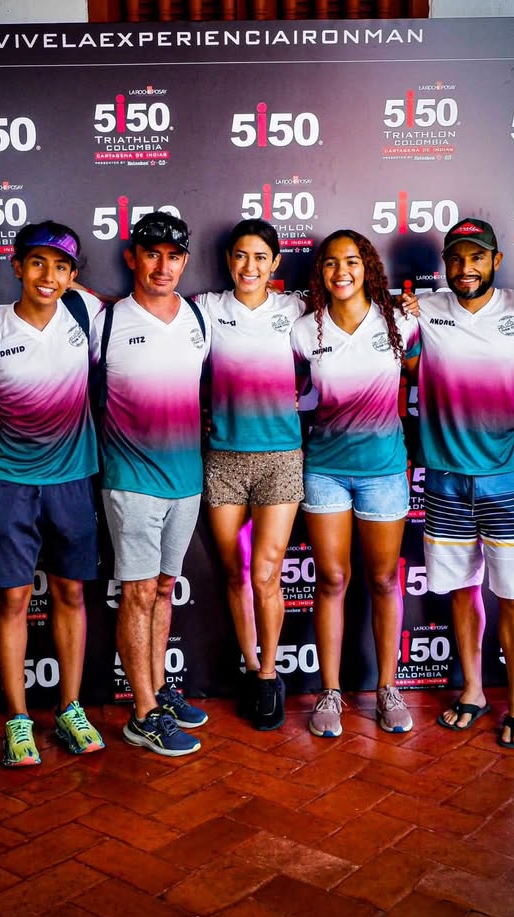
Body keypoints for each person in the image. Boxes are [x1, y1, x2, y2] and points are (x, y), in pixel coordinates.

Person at [0, 221, 105, 766]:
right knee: (13, 599)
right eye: (37, 263)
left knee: (70, 594)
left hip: (72, 480)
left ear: (72, 276)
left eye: (62, 266)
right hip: (11, 483)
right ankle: (17, 719)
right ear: (17, 267)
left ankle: (69, 708)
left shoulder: (87, 317)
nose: (49, 275)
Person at [416, 218, 514, 748]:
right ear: (445, 264)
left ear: (495, 260)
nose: (465, 268)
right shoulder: (424, 310)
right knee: (464, 590)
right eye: (456, 258)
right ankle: (472, 690)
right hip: (445, 478)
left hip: (505, 478)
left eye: (476, 257)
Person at [290, 230, 419, 738]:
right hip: (324, 471)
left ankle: (388, 688)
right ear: (319, 273)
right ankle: (330, 691)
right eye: (329, 264)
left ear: (367, 266)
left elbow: (422, 365)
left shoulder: (402, 321)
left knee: (386, 581)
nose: (341, 271)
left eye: (351, 261)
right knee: (331, 580)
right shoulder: (305, 331)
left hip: (385, 472)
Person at [91, 211, 210, 756]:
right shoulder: (104, 321)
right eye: (152, 253)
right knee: (138, 594)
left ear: (185, 260)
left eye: (174, 255)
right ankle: (143, 715)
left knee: (163, 589)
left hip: (185, 480)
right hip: (131, 480)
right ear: (132, 257)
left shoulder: (197, 319)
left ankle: (158, 690)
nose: (163, 266)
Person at [193, 219, 306, 730]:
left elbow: (359, 315)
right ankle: (250, 668)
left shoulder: (297, 310)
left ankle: (269, 673)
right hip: (223, 458)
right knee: (235, 572)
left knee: (265, 572)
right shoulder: (209, 308)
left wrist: (411, 306)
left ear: (275, 262)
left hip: (281, 456)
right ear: (228, 260)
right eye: (240, 255)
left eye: (260, 257)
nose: (249, 266)